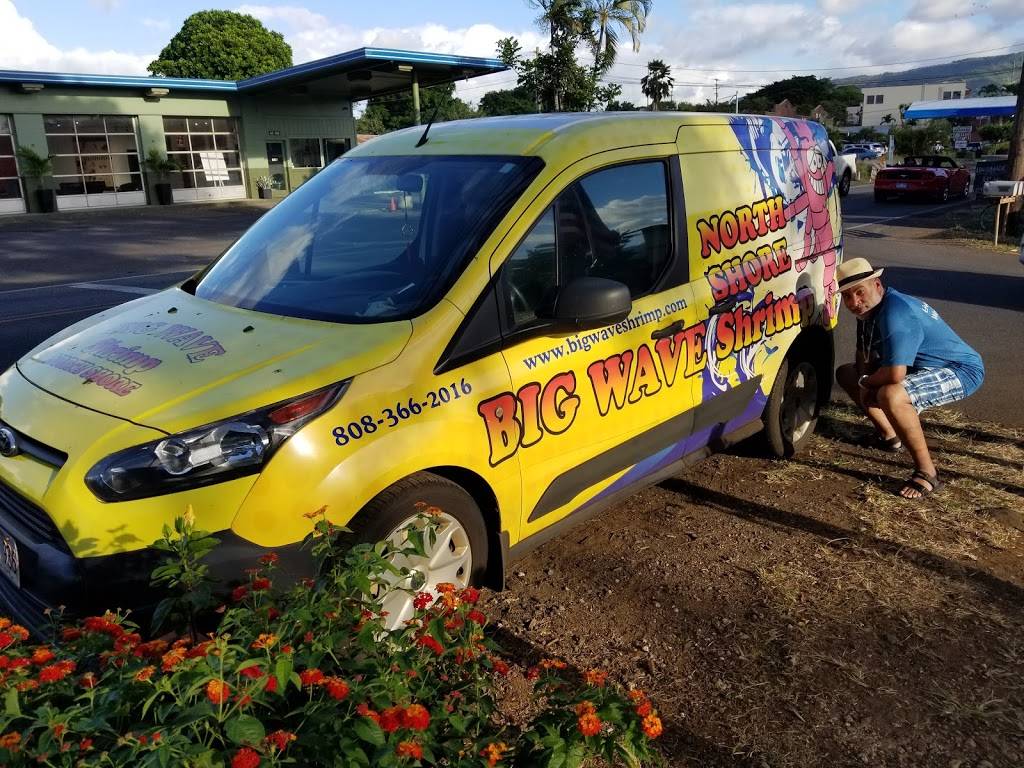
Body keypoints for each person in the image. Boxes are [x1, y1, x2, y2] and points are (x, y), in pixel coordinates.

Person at [834, 258, 984, 499]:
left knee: (891, 394)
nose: (854, 302)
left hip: (959, 370)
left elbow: (895, 374)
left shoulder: (896, 312)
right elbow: (863, 355)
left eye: (859, 292)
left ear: (877, 285)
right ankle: (890, 437)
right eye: (846, 296)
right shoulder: (869, 312)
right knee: (846, 373)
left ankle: (928, 473)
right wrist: (863, 378)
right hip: (920, 367)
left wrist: (867, 383)